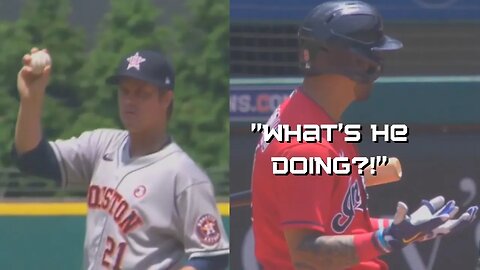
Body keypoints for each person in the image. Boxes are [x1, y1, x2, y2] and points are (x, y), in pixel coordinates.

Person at [250, 1, 478, 269]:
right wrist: (386, 239)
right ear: (356, 62)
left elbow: (343, 226)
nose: (379, 65)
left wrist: (409, 230)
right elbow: (305, 252)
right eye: (375, 56)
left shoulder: (308, 116)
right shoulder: (306, 145)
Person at [14, 48, 229, 270]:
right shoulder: (101, 145)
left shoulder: (183, 174)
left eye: (141, 93)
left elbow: (213, 257)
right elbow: (33, 159)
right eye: (125, 91)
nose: (130, 101)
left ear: (166, 98)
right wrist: (31, 99)